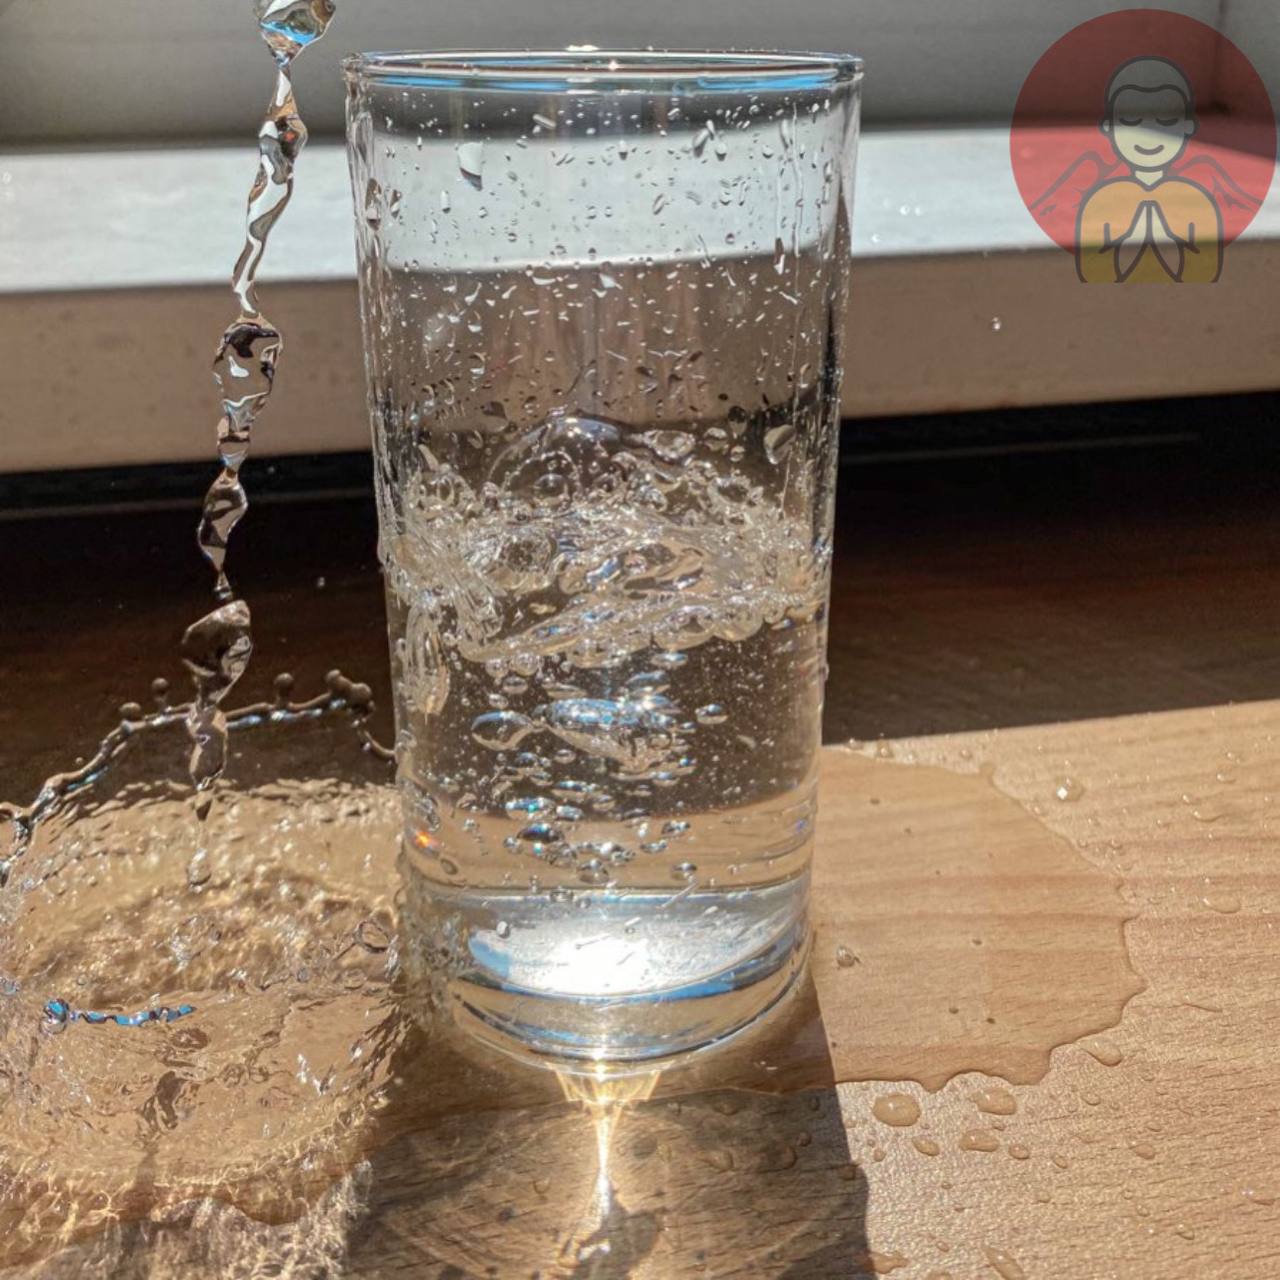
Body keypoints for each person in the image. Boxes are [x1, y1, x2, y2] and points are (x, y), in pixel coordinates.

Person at [1076, 57, 1222, 283]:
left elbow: (1207, 276)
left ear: (1188, 127)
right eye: (1129, 120)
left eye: (1167, 121)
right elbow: (1090, 278)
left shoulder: (1199, 203)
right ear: (1108, 128)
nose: (1148, 139)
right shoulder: (1099, 201)